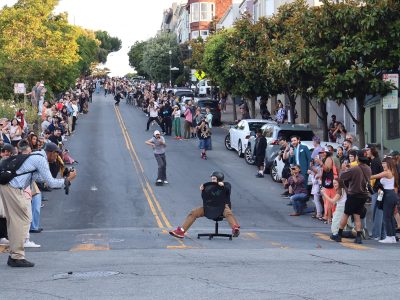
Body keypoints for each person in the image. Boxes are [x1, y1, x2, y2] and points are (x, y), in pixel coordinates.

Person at [0, 142, 77, 267]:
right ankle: (17, 257)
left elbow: (40, 179)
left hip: (7, 186)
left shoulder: (35, 155)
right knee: (23, 219)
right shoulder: (41, 159)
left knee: (15, 220)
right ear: (51, 152)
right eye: (56, 154)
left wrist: (62, 178)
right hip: (13, 187)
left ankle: (14, 255)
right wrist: (67, 180)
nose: (57, 157)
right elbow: (51, 183)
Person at [169, 171, 240, 238]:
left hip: (222, 208)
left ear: (219, 179)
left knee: (227, 212)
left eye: (214, 179)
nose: (212, 180)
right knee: (194, 213)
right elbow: (205, 198)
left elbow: (227, 189)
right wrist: (203, 189)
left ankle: (235, 229)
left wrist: (222, 185)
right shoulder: (210, 187)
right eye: (212, 179)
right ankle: (181, 231)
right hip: (210, 208)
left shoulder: (227, 184)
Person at [333, 149, 371, 244]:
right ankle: (358, 236)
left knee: (346, 214)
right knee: (357, 215)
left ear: (357, 158)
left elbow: (342, 177)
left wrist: (344, 169)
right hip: (363, 195)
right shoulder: (368, 168)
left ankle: (339, 234)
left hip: (353, 194)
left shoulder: (355, 169)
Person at [370, 157, 398, 243]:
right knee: (390, 217)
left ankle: (389, 237)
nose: (383, 165)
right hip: (390, 194)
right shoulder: (392, 171)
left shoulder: (387, 172)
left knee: (386, 217)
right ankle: (392, 237)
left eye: (384, 163)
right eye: (382, 163)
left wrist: (364, 174)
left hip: (388, 195)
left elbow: (374, 177)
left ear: (389, 164)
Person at [314, 147, 338, 224]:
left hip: (331, 182)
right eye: (319, 153)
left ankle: (331, 217)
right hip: (328, 182)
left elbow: (327, 169)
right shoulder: (326, 159)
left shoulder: (328, 159)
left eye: (321, 153)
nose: (320, 154)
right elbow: (324, 171)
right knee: (327, 200)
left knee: (330, 200)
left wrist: (320, 162)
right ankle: (328, 217)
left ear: (325, 153)